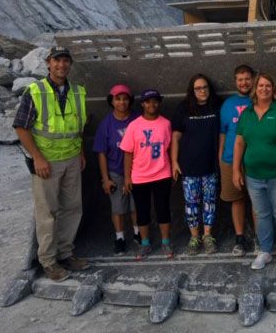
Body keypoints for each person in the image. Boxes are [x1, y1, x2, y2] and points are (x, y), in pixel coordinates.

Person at [13, 46, 89, 282]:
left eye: (66, 61)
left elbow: (78, 127)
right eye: (57, 61)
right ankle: (48, 260)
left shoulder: (78, 92)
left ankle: (66, 254)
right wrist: (37, 157)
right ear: (48, 63)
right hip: (47, 163)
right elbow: (21, 127)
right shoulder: (35, 91)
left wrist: (81, 152)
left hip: (72, 159)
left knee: (72, 208)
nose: (61, 65)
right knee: (47, 213)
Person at [232, 73, 276, 270]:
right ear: (255, 88)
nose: (264, 89)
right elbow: (239, 142)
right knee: (261, 214)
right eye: (260, 85)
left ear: (273, 89)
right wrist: (236, 169)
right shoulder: (247, 114)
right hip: (253, 176)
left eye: (268, 85)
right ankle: (265, 251)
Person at [120, 89, 173, 260]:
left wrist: (172, 168)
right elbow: (128, 152)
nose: (152, 105)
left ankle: (165, 242)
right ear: (142, 104)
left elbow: (170, 148)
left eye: (155, 101)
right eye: (148, 101)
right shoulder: (134, 125)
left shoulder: (165, 123)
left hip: (162, 174)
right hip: (140, 176)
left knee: (162, 209)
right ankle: (145, 244)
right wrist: (127, 177)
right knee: (142, 211)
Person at [171, 74, 220, 255]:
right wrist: (174, 161)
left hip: (211, 165)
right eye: (198, 88)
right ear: (192, 90)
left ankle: (208, 236)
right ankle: (194, 237)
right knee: (191, 203)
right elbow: (175, 137)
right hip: (189, 166)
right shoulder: (183, 108)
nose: (202, 91)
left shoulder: (216, 105)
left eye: (205, 87)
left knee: (210, 202)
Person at [92, 84, 140, 256]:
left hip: (137, 171)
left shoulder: (137, 119)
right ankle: (119, 238)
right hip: (116, 171)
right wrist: (106, 179)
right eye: (118, 99)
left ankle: (137, 234)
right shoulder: (106, 124)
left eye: (125, 98)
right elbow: (101, 153)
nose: (122, 102)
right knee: (118, 207)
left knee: (136, 206)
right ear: (111, 101)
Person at [219, 64, 255, 256]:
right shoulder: (227, 104)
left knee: (258, 202)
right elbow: (223, 133)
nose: (244, 83)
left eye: (247, 78)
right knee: (237, 200)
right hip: (230, 160)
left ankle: (259, 238)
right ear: (235, 81)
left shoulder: (261, 99)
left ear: (253, 79)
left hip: (255, 159)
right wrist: (221, 158)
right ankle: (240, 239)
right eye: (240, 79)